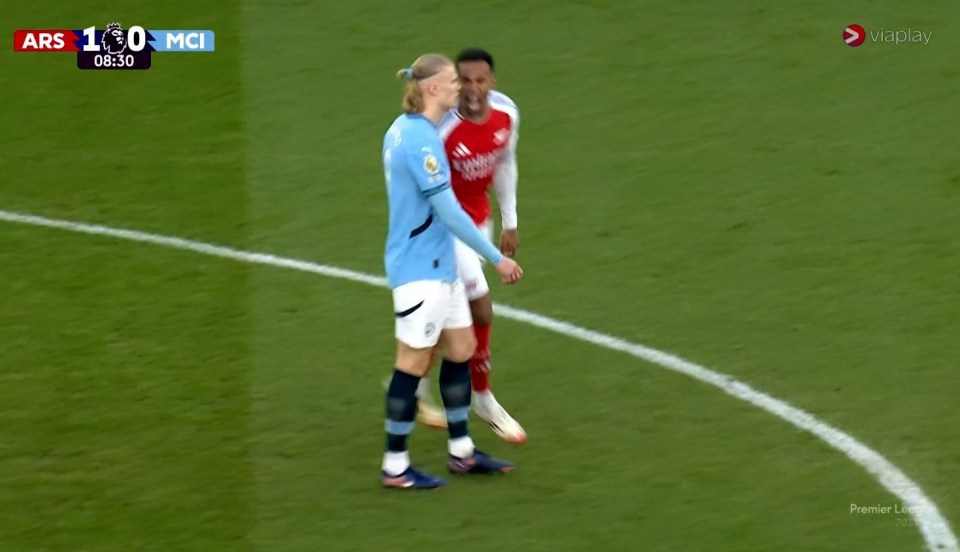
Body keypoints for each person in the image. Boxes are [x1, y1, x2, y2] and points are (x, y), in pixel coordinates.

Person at [380, 53, 524, 490]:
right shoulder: (423, 141)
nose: (460, 88)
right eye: (452, 82)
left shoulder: (407, 129)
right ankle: (395, 466)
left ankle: (462, 452)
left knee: (460, 347)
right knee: (411, 364)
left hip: (440, 264)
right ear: (433, 90)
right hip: (421, 267)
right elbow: (449, 212)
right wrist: (496, 257)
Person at [412, 48, 527, 444]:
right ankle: (483, 398)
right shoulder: (441, 130)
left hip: (479, 222)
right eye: (465, 82)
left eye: (481, 81)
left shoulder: (506, 114)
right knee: (480, 302)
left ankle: (411, 389)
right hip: (445, 228)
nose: (473, 90)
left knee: (449, 316)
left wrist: (509, 221)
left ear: (491, 82)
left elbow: (505, 162)